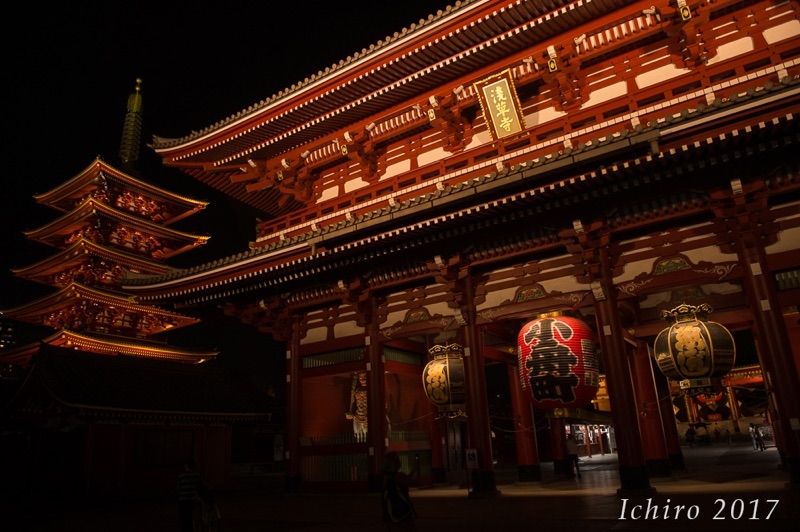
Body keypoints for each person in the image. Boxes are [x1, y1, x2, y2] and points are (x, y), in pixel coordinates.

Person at [381, 452, 416, 530]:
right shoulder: (399, 476)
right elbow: (413, 483)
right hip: (404, 512)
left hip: (390, 513)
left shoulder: (385, 478)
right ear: (396, 463)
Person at [177, 461, 202, 532]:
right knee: (190, 516)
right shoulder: (196, 476)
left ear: (186, 466)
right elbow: (199, 487)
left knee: (183, 517)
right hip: (192, 499)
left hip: (183, 499)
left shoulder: (181, 476)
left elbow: (178, 489)